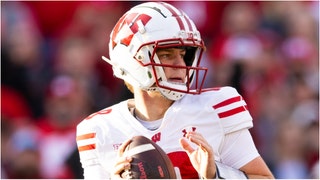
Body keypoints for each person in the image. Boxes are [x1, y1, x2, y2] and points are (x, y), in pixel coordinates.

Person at [76, 2, 274, 179]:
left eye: (183, 55)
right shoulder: (99, 130)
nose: (181, 65)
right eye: (167, 54)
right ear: (134, 60)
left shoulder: (216, 108)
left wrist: (216, 174)